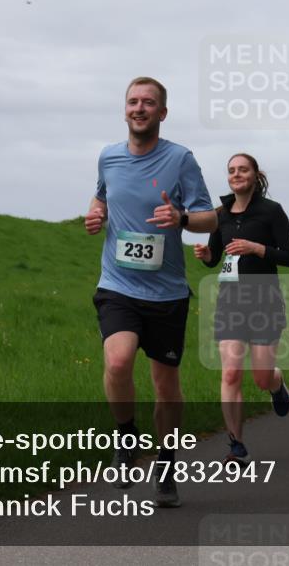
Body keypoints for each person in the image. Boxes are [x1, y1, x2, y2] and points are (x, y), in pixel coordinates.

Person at [85, 76, 216, 508]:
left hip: (166, 293)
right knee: (118, 359)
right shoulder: (108, 157)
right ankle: (126, 439)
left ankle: (166, 461)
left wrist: (180, 218)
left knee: (166, 384)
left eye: (149, 103)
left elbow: (209, 219)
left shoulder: (180, 160)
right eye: (132, 101)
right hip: (117, 283)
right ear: (125, 109)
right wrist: (96, 211)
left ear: (162, 112)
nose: (139, 108)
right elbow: (102, 196)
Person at [194, 154, 289, 463]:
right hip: (231, 301)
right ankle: (236, 446)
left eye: (243, 170)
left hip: (265, 300)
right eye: (231, 171)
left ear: (255, 175)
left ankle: (276, 385)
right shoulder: (220, 214)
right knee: (230, 374)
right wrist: (206, 253)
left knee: (261, 377)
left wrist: (255, 248)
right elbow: (214, 260)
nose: (236, 174)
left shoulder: (271, 211)